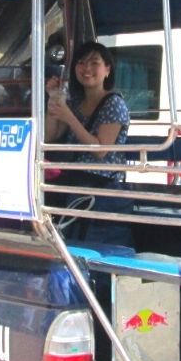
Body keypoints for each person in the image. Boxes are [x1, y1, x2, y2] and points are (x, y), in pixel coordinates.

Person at [44, 41, 132, 244]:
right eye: (82, 63)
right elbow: (50, 136)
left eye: (95, 63)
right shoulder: (76, 103)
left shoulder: (114, 103)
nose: (87, 69)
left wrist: (68, 116)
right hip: (76, 183)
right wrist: (54, 100)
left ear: (107, 70)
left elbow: (100, 150)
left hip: (101, 186)